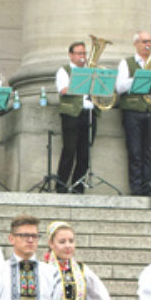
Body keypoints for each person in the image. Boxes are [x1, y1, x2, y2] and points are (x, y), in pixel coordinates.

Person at [115, 31, 151, 196]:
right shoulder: (126, 63)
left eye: (150, 41)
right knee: (135, 151)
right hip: (133, 111)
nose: (148, 45)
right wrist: (141, 78)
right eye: (144, 42)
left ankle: (149, 187)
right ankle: (136, 188)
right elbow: (119, 87)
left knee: (150, 152)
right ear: (136, 44)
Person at [55, 42, 97, 194]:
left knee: (85, 153)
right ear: (71, 55)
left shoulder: (90, 71)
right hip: (71, 114)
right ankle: (61, 184)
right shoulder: (64, 71)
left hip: (89, 113)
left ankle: (78, 186)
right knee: (69, 150)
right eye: (79, 54)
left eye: (84, 53)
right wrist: (81, 82)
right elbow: (63, 90)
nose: (82, 57)